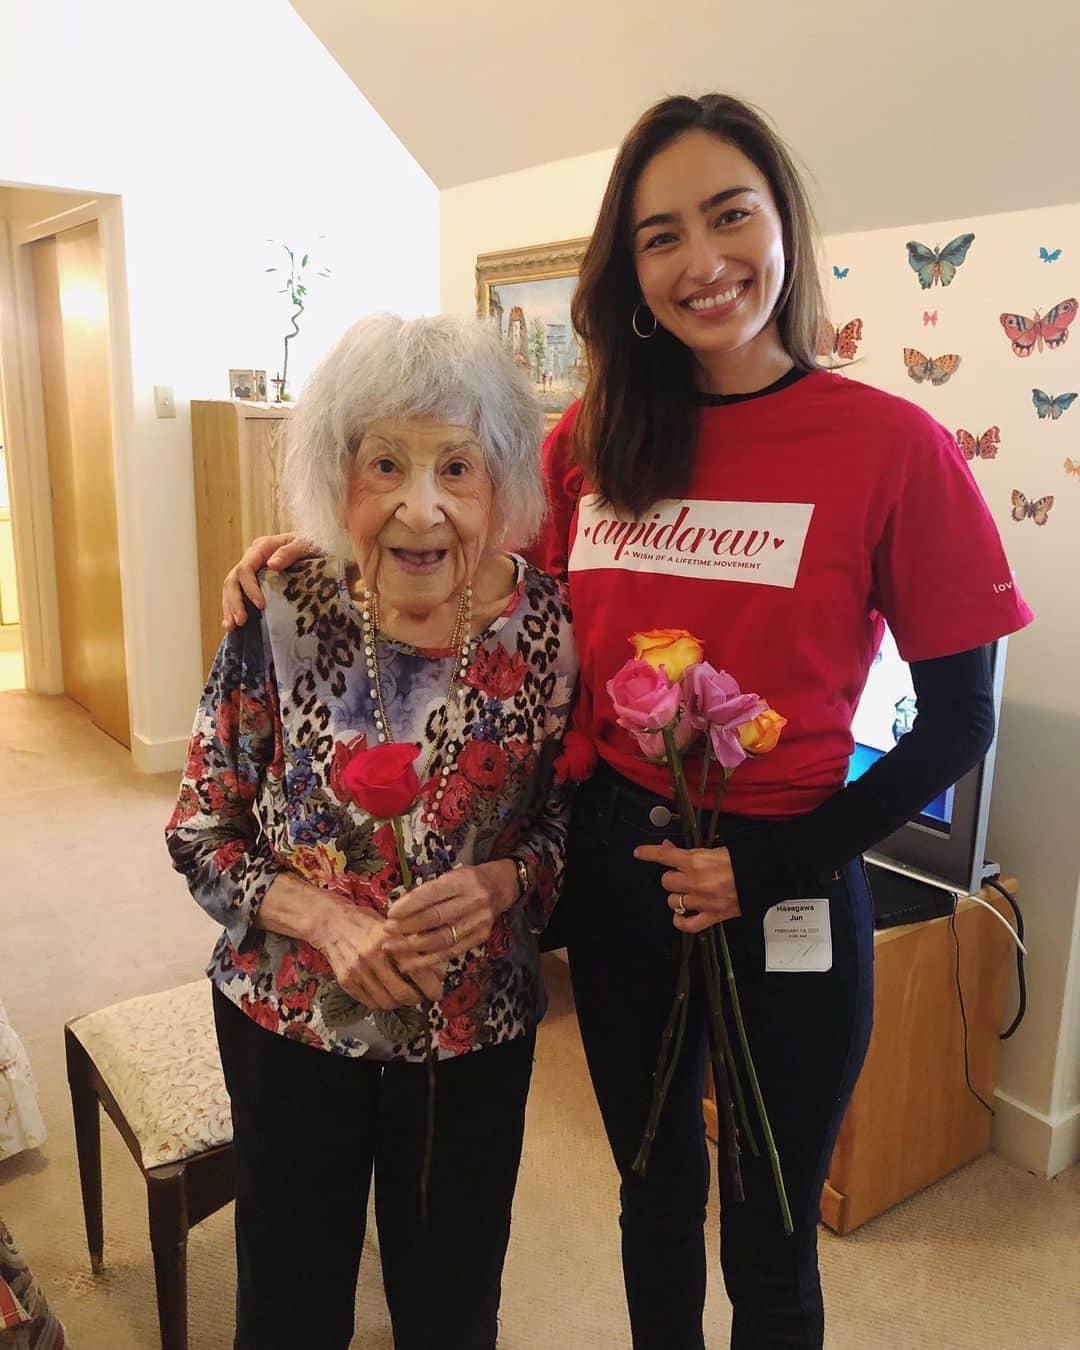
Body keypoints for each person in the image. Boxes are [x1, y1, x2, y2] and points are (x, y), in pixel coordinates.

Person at [220, 95, 1032, 1349]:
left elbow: (958, 721)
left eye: (730, 216)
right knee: (651, 1194)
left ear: (783, 227)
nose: (702, 261)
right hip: (615, 875)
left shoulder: (893, 446)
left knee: (770, 1236)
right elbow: (469, 568)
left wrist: (765, 861)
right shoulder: (591, 446)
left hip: (791, 883)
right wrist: (311, 559)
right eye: (662, 236)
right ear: (631, 272)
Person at [168, 313, 577, 1350]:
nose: (421, 504)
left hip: (472, 1030)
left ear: (505, 485)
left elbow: (564, 821)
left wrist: (502, 885)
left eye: (457, 466)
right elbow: (201, 829)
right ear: (332, 477)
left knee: (450, 1308)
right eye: (383, 462)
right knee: (292, 1304)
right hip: (292, 1023)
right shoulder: (279, 610)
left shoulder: (551, 631)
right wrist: (328, 923)